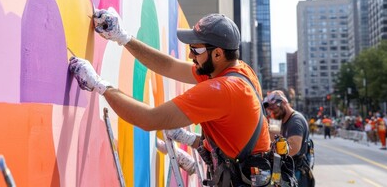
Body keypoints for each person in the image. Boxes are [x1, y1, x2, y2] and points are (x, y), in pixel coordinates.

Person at [69, 10, 271, 186]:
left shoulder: (223, 89)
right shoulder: (236, 70)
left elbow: (149, 119)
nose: (191, 55)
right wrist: (123, 38)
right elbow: (169, 66)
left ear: (218, 54)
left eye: (196, 50)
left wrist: (100, 86)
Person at [263, 90, 314, 187]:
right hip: (286, 171)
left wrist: (272, 151)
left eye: (274, 108)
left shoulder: (296, 121)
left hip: (296, 173)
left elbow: (293, 148)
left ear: (284, 103)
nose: (272, 112)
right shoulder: (278, 119)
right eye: (270, 109)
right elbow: (271, 140)